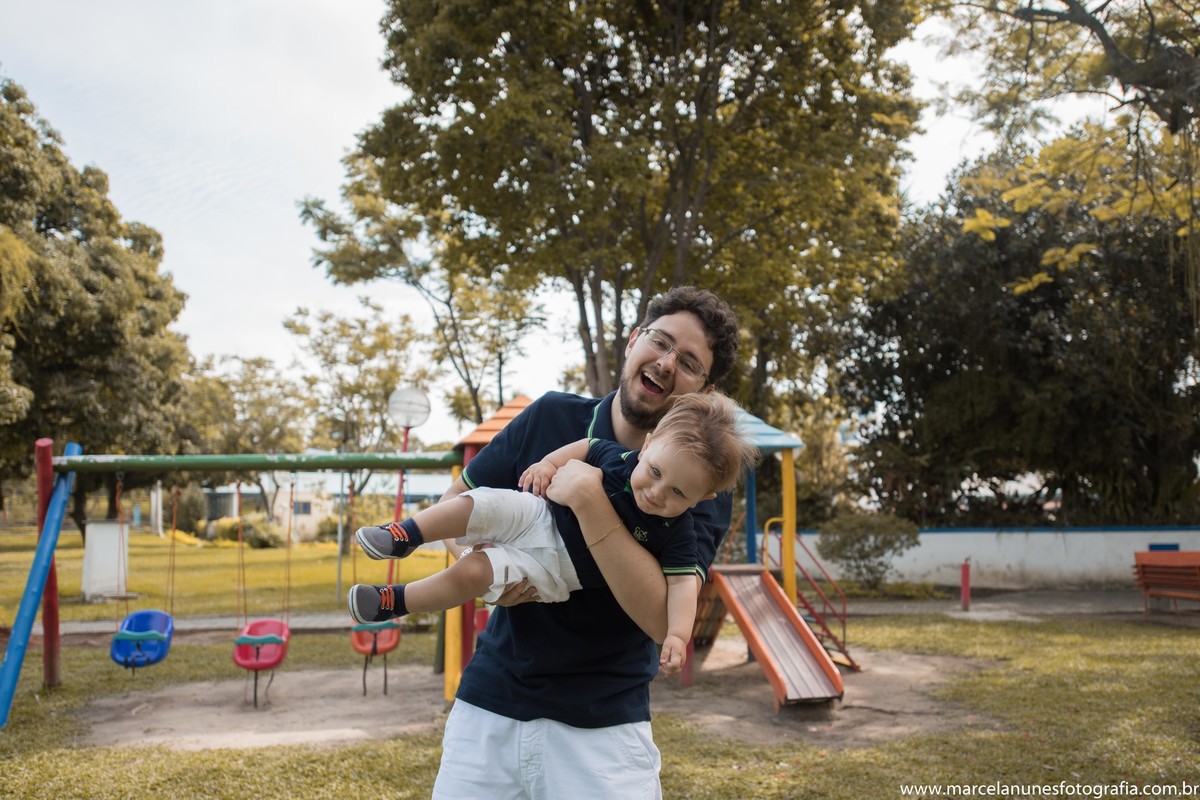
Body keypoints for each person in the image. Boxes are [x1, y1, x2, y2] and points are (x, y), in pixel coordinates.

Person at [431, 285, 740, 799]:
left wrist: (591, 500)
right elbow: (455, 500)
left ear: (703, 392)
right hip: (488, 705)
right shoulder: (550, 416)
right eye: (660, 342)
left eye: (688, 362)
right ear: (633, 340)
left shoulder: (698, 489)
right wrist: (478, 566)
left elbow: (665, 621)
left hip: (604, 729)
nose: (666, 363)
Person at [347, 391, 758, 674]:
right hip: (540, 517)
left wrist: (678, 635)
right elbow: (584, 447)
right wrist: (546, 465)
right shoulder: (618, 456)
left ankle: (392, 602)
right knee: (484, 503)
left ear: (704, 498)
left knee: (474, 575)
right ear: (647, 446)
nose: (655, 492)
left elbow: (684, 586)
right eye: (654, 472)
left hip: (555, 571)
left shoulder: (680, 530)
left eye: (677, 492)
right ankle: (405, 534)